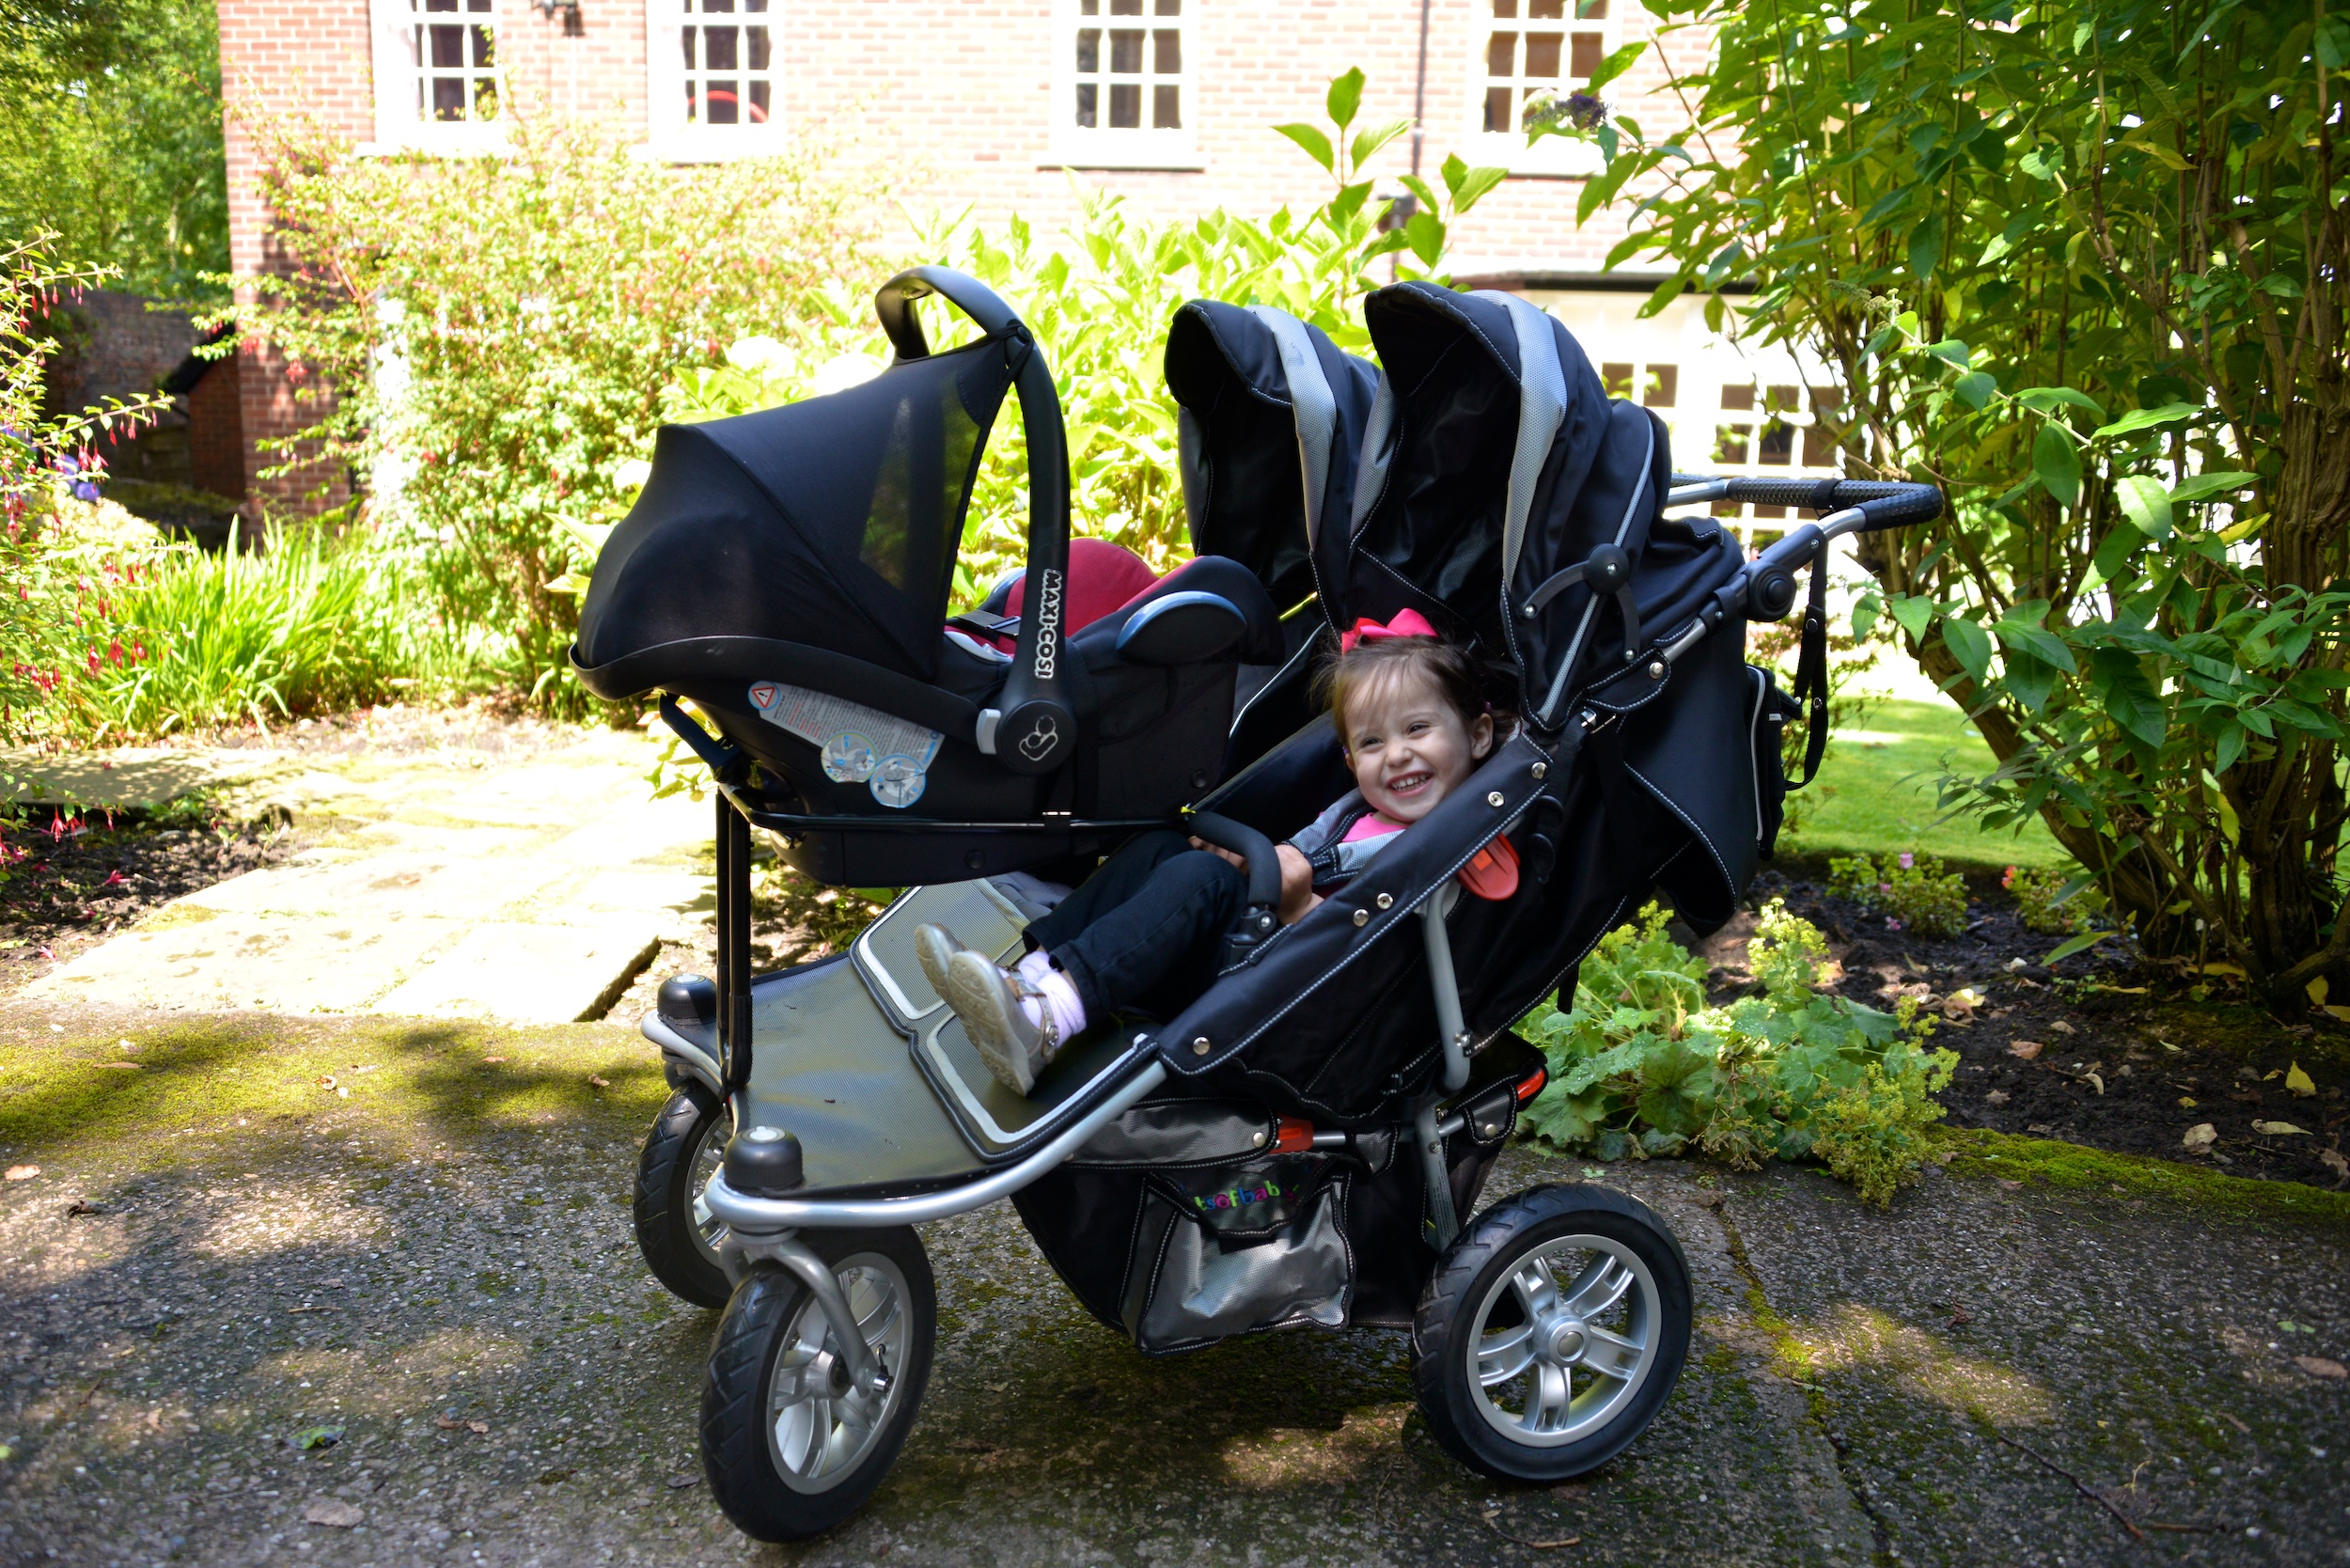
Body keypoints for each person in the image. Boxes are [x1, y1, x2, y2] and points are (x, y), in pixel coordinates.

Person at [916, 609, 1500, 1094]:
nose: (1396, 755)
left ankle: (1051, 1018)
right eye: (1372, 742)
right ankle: (1028, 982)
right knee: (1161, 848)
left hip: (1299, 1012)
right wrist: (1249, 860)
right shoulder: (1352, 813)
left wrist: (1295, 907)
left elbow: (1382, 971)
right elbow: (1291, 855)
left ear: (1477, 735)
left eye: (1418, 729)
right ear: (1349, 762)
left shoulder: (1457, 854)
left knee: (1201, 878)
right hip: (1259, 964)